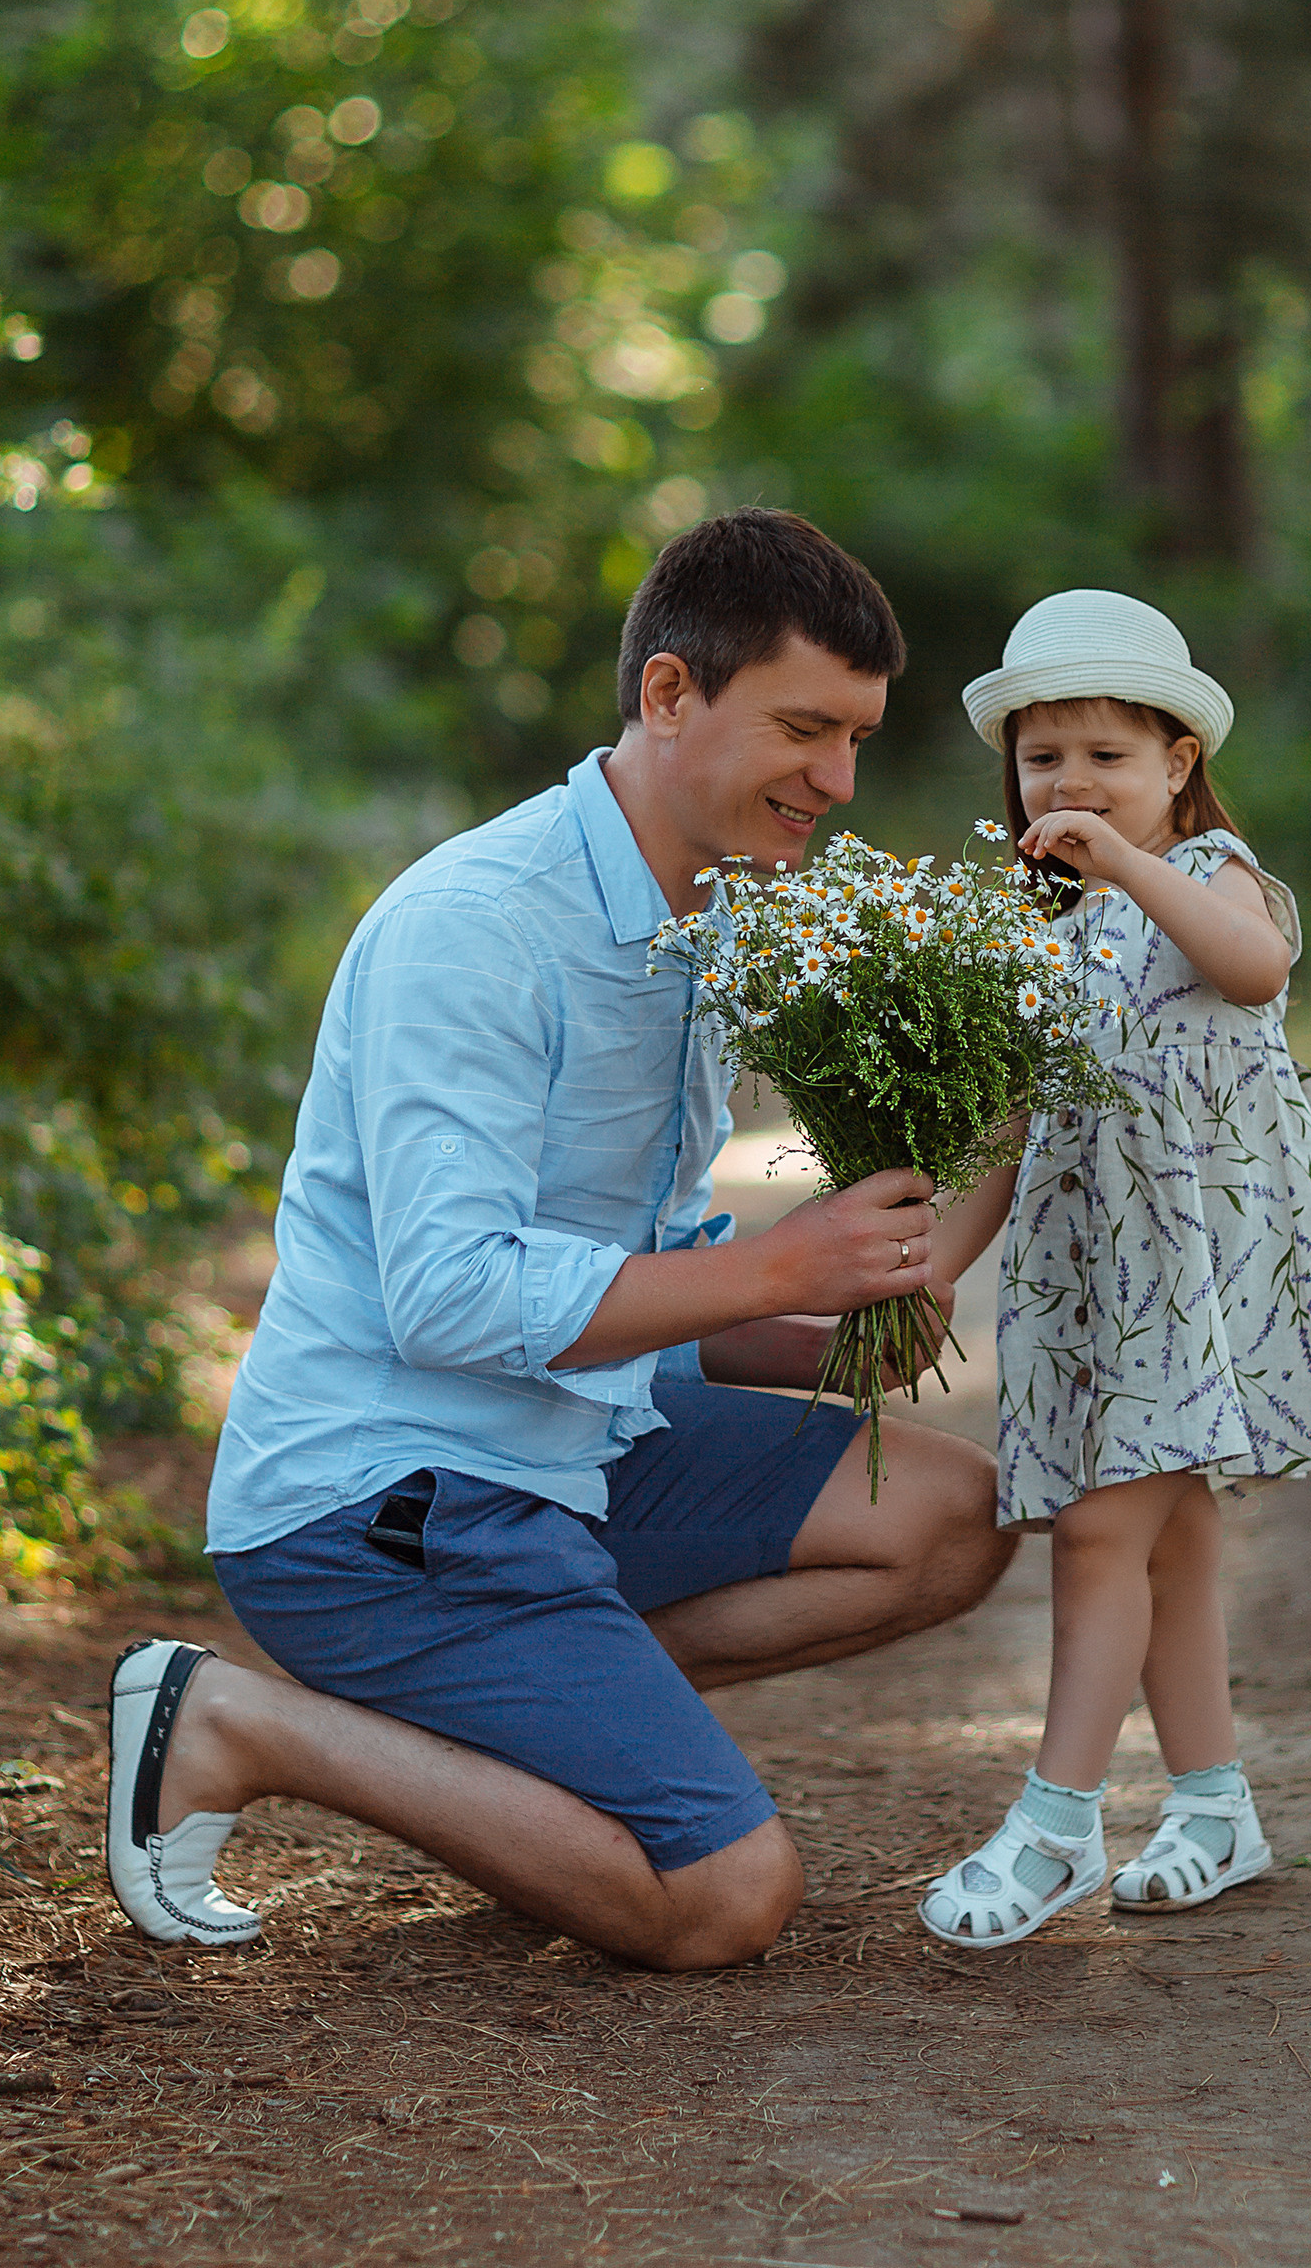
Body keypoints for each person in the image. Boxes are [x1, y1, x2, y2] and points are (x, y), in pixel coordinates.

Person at [105, 510, 1012, 1973]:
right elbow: (453, 1301)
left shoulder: (701, 915)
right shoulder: (478, 928)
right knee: (723, 1901)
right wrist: (786, 1264)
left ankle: (543, 1750)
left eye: (856, 738)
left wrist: (824, 1325)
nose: (838, 782)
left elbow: (638, 1280)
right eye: (803, 729)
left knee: (953, 1514)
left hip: (574, 1448)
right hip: (382, 1504)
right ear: (669, 694)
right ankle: (241, 1723)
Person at [917, 589, 1311, 1947]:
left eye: (1107, 756)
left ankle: (1056, 1823)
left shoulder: (1213, 871)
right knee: (1167, 1540)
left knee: (1107, 1526)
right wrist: (937, 1263)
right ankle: (1216, 1805)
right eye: (1043, 758)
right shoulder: (1042, 929)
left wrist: (1127, 862)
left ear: (1178, 763)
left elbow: (1254, 967)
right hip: (1095, 1274)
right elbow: (1012, 1119)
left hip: (1202, 1264)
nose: (1071, 783)